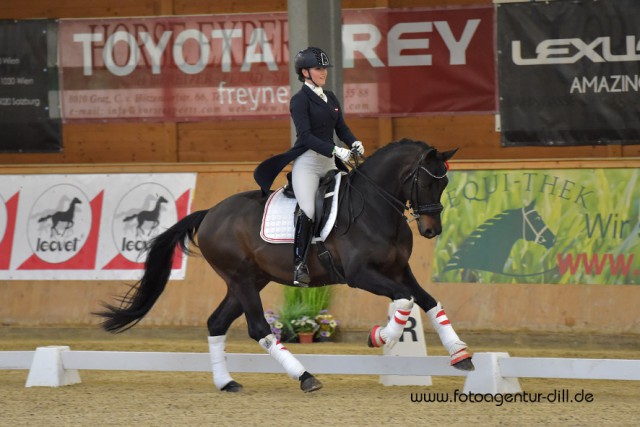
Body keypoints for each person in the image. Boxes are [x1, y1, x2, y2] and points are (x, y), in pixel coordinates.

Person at [253, 46, 365, 286]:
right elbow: (304, 136)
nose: (323, 72)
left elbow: (341, 128)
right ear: (305, 72)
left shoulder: (331, 97)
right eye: (318, 68)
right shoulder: (299, 100)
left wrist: (353, 141)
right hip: (309, 163)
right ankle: (299, 264)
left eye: (324, 68)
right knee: (309, 210)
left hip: (329, 162)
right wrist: (336, 149)